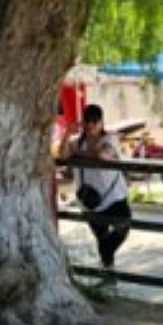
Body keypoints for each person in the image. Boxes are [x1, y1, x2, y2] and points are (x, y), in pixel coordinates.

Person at [68, 103, 131, 273]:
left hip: (114, 196)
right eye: (88, 121)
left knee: (123, 228)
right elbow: (61, 153)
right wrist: (68, 131)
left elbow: (103, 155)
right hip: (89, 199)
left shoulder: (110, 139)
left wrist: (78, 154)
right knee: (101, 236)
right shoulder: (77, 141)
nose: (91, 125)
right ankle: (108, 270)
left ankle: (106, 265)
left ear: (102, 122)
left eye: (95, 122)